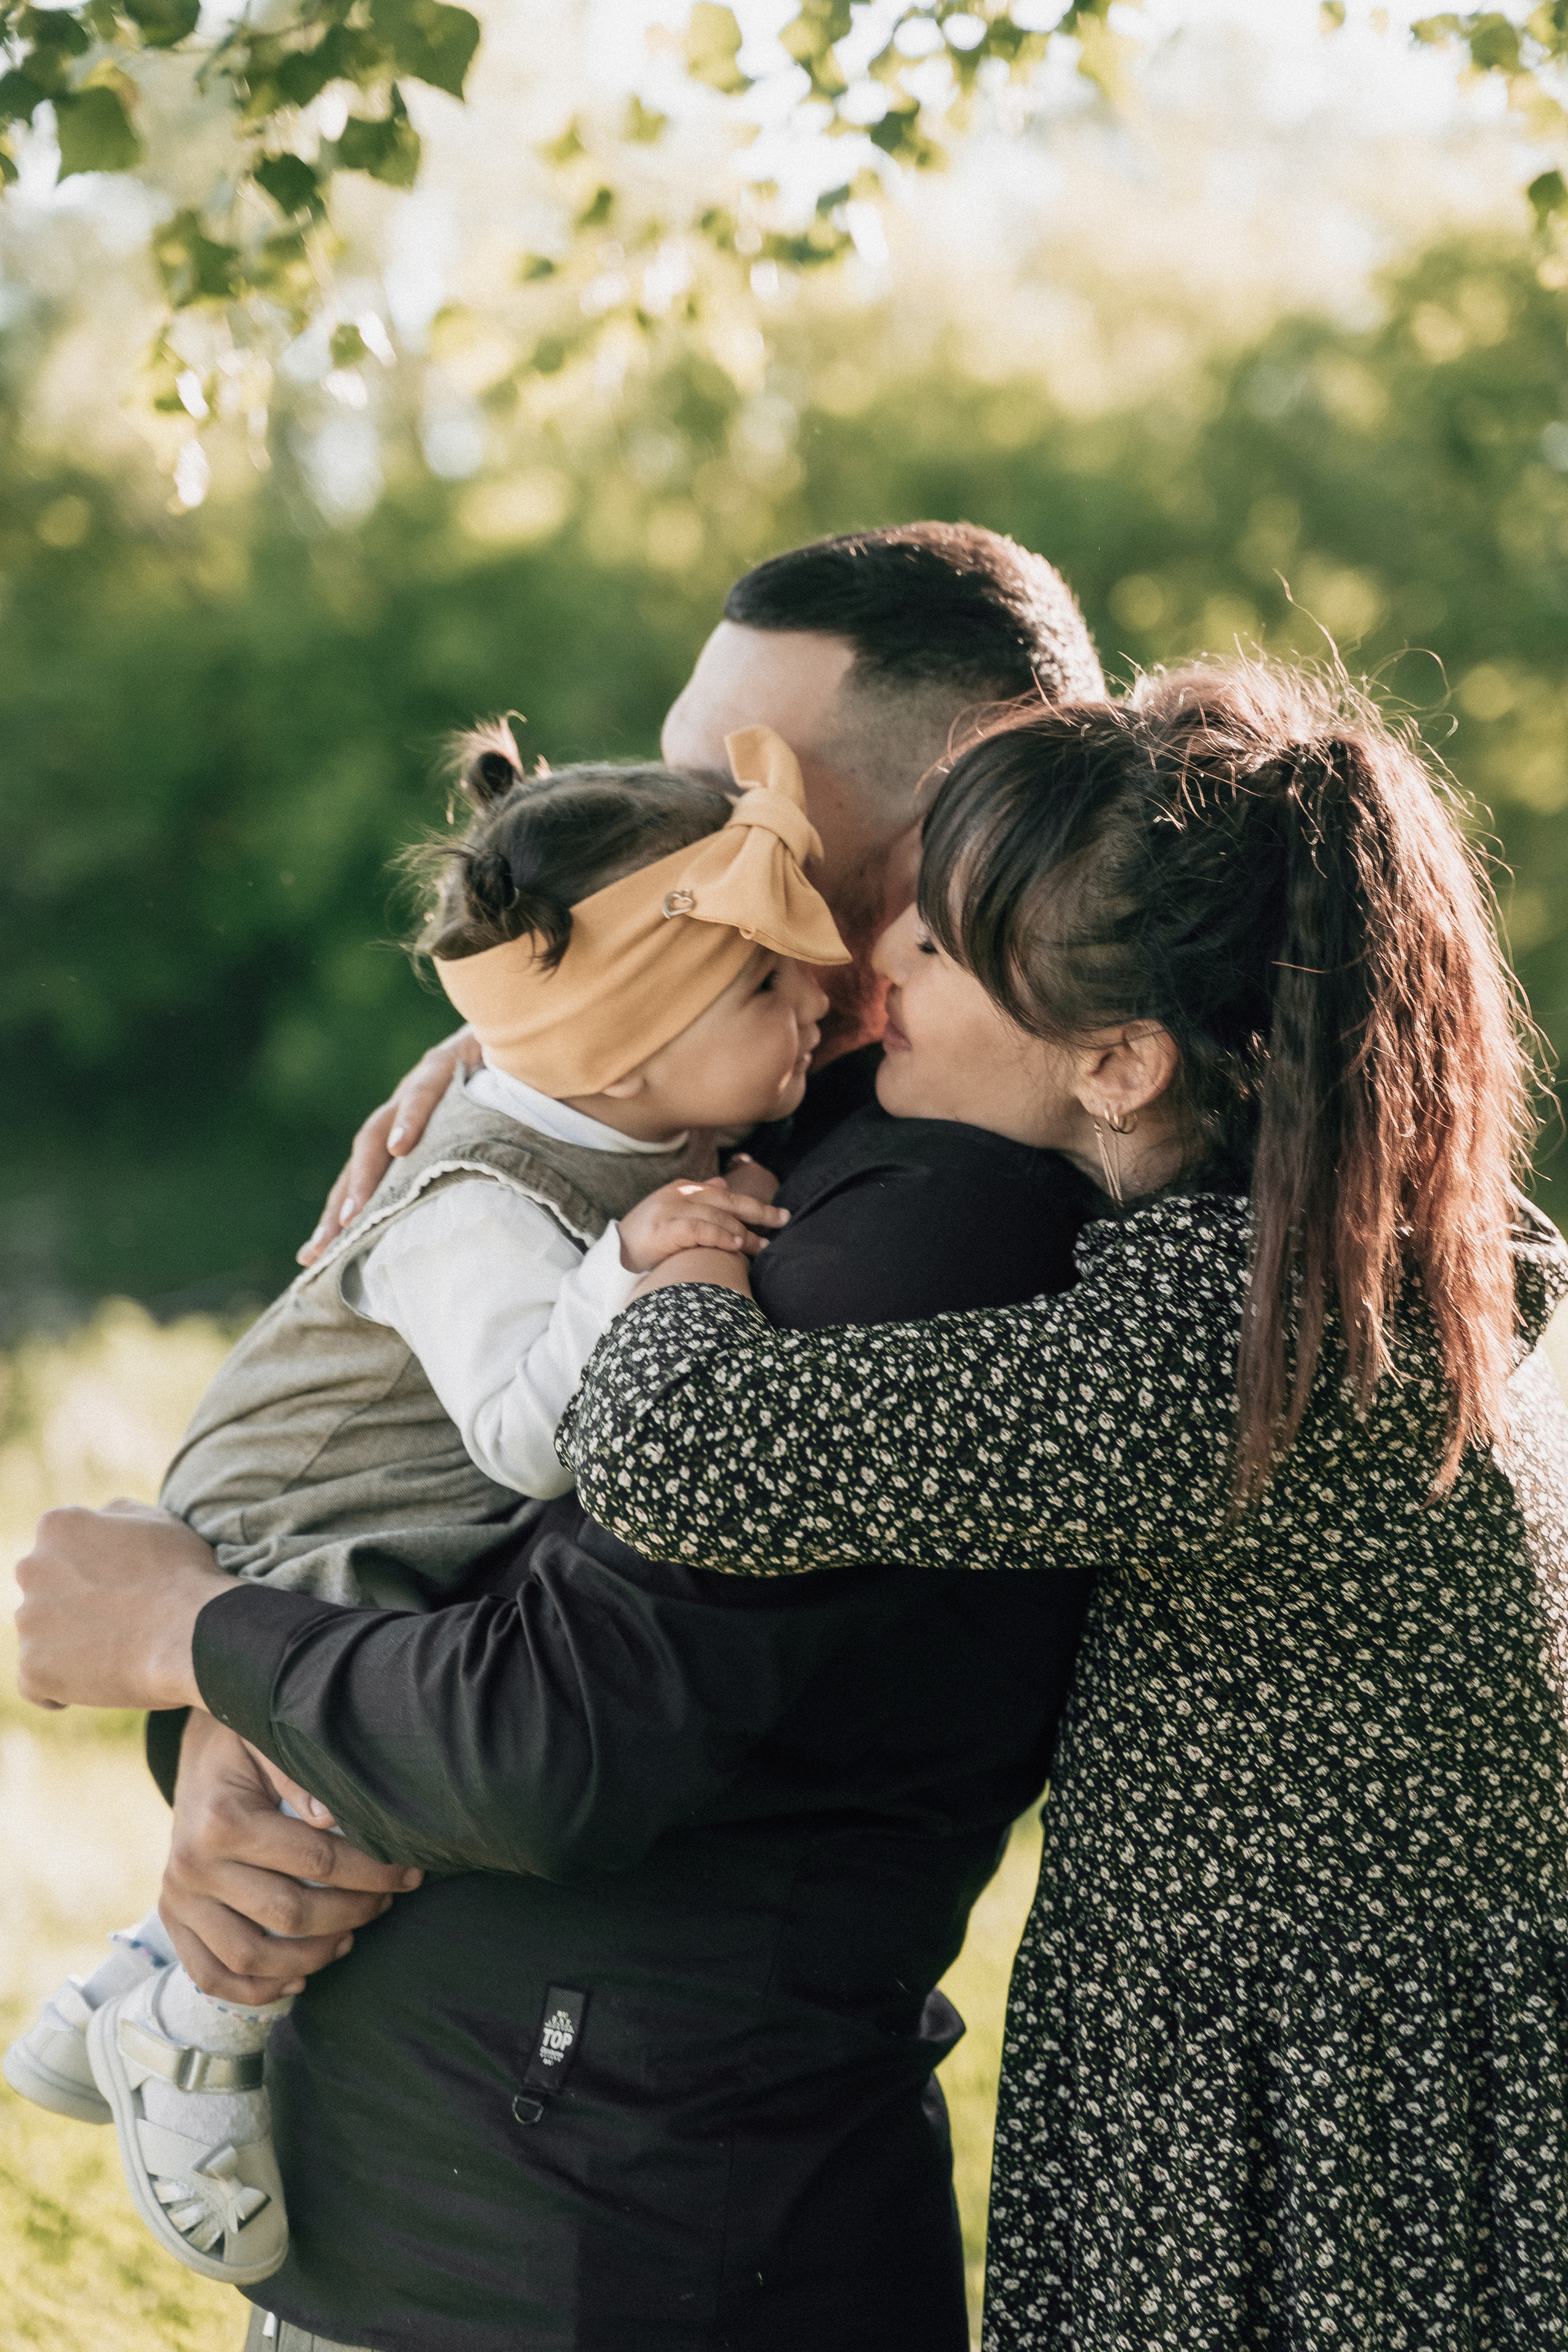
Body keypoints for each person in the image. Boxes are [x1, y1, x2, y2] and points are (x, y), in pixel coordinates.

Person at [554, 658, 1568, 2348]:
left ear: (1118, 1065)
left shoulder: (1213, 1356)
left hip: (1279, 2139)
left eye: (943, 947)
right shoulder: (1408, 1247)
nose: (876, 956)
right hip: (1401, 2087)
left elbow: (675, 1452)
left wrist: (673, 1260)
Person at [15, 889, 1104, 2349]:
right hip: (465, 2207)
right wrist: (225, 1698)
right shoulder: (735, 1116)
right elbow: (481, 1562)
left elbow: (546, 1735)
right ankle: (167, 1974)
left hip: (598, 2247)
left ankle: (185, 2009)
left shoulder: (925, 1209)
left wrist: (196, 1637)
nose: (712, 834)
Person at [3, 723, 841, 2291]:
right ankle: (197, 2027)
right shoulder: (480, 1201)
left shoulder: (635, 1111)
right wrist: (636, 1264)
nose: (823, 994)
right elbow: (525, 1437)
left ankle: (124, 1977)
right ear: (625, 1051)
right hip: (309, 1504)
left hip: (403, 1489)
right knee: (366, 1749)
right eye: (766, 985)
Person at [296, 521, 1104, 1258]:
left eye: (735, 800)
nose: (667, 847)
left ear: (963, 827)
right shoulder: (600, 1090)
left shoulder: (951, 1193)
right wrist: (538, 1046)